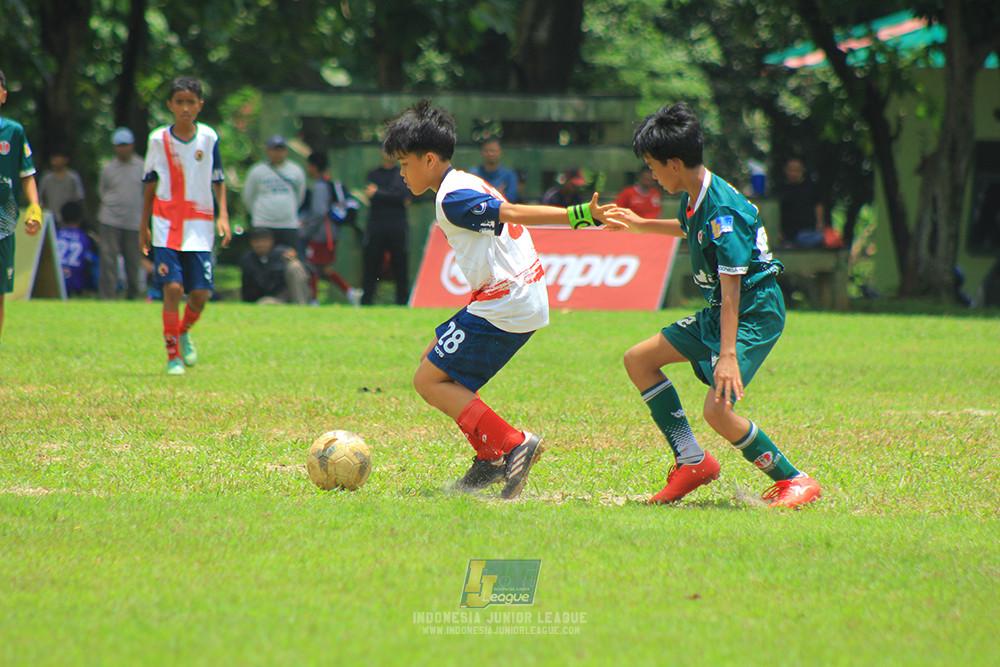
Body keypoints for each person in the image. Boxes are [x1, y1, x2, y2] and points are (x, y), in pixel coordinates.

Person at [381, 100, 615, 500]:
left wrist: (579, 215)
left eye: (404, 164)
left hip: (507, 300)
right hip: (509, 296)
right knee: (432, 364)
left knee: (428, 380)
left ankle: (512, 444)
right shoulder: (463, 182)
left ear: (430, 159)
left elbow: (512, 212)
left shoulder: (451, 198)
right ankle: (489, 458)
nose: (401, 173)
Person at [604, 102, 822, 509]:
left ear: (674, 162)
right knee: (638, 360)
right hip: (725, 307)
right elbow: (688, 228)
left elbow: (733, 287)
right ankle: (692, 461)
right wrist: (639, 224)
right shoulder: (696, 192)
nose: (650, 174)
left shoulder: (722, 210)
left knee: (718, 413)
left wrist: (726, 356)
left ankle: (794, 479)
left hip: (752, 312)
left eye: (653, 166)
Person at [140, 76, 231, 376]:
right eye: (179, 102)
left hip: (199, 227)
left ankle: (182, 331)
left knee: (201, 294)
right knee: (173, 289)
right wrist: (144, 226)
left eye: (191, 102)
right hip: (166, 225)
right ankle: (173, 357)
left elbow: (218, 178)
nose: (185, 108)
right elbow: (150, 184)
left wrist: (223, 216)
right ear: (170, 105)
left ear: (200, 105)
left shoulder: (209, 137)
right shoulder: (158, 140)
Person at [0, 69, 43, 351]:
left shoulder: (13, 131)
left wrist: (35, 207)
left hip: (3, 226)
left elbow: (26, 174)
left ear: (3, 95)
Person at [299, 151, 362, 306]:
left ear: (313, 167)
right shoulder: (328, 183)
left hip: (321, 234)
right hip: (329, 233)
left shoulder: (319, 186)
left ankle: (314, 300)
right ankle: (349, 292)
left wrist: (306, 231)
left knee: (312, 265)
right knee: (324, 268)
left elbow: (319, 212)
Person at [96, 127, 145, 300]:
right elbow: (102, 191)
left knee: (133, 261)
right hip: (110, 220)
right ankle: (107, 297)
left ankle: (134, 296)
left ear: (132, 145)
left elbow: (148, 193)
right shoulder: (108, 168)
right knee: (108, 259)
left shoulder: (142, 166)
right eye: (119, 145)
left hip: (134, 221)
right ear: (114, 147)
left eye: (126, 145)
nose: (123, 148)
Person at [361, 149, 411, 305]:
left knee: (400, 265)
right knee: (371, 265)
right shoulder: (373, 174)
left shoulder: (403, 173)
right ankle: (367, 301)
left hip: (397, 225)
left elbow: (404, 197)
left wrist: (379, 193)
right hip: (376, 225)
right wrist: (391, 195)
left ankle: (402, 302)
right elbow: (371, 195)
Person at [242, 135, 306, 251]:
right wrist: (257, 213)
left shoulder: (296, 170)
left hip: (288, 224)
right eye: (275, 150)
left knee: (291, 257)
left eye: (281, 150)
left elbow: (300, 195)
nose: (278, 153)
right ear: (268, 151)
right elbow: (248, 196)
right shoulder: (257, 171)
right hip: (263, 223)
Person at [239, 227, 310, 304]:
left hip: (290, 293)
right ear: (252, 243)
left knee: (294, 265)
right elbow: (247, 286)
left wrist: (294, 258)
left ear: (271, 242)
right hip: (272, 298)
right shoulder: (248, 259)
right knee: (266, 303)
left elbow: (308, 271)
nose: (261, 245)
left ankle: (301, 305)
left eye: (264, 241)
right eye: (257, 242)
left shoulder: (282, 253)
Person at [773, 157, 824, 248]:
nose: (794, 173)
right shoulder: (779, 189)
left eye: (797, 170)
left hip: (808, 231)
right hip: (787, 235)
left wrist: (819, 222)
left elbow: (818, 205)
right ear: (785, 170)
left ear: (803, 170)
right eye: (791, 170)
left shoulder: (810, 187)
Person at [55, 201, 97, 296]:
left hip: (53, 280)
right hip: (76, 284)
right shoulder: (85, 237)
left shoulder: (54, 234)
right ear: (80, 218)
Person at [38, 146, 85, 227]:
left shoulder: (73, 178)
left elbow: (79, 199)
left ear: (65, 160)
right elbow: (40, 197)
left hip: (68, 221)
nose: (54, 162)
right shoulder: (46, 178)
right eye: (52, 159)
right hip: (50, 220)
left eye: (57, 159)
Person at [469, 137, 519, 203]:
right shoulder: (473, 174)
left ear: (500, 153)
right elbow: (469, 197)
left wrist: (483, 196)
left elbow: (510, 199)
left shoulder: (509, 176)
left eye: (494, 151)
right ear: (482, 152)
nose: (490, 153)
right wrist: (496, 195)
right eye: (486, 151)